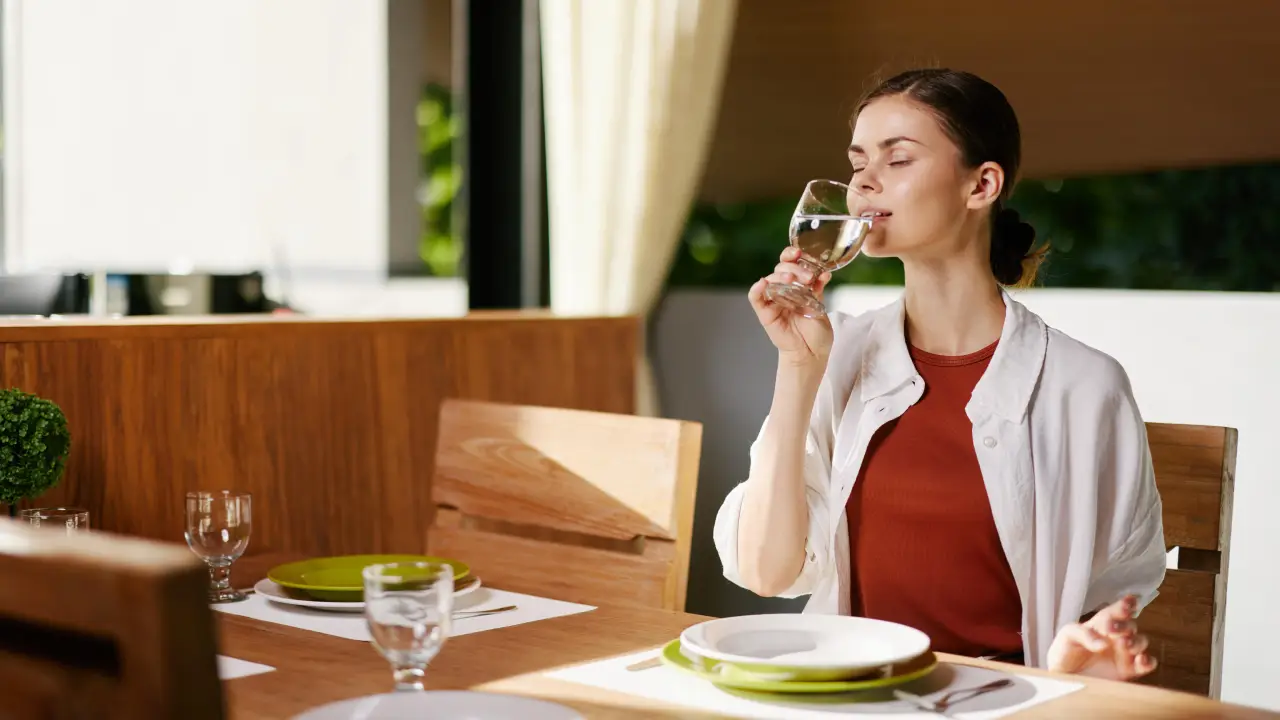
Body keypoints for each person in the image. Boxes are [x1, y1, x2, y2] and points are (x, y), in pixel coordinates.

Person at [713, 68, 1165, 680]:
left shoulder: (1084, 388)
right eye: (857, 163)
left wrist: (1080, 664)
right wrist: (799, 368)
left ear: (981, 185)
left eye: (897, 160)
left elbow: (1106, 611)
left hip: (1006, 701)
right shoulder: (835, 351)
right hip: (851, 695)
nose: (865, 181)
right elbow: (767, 573)